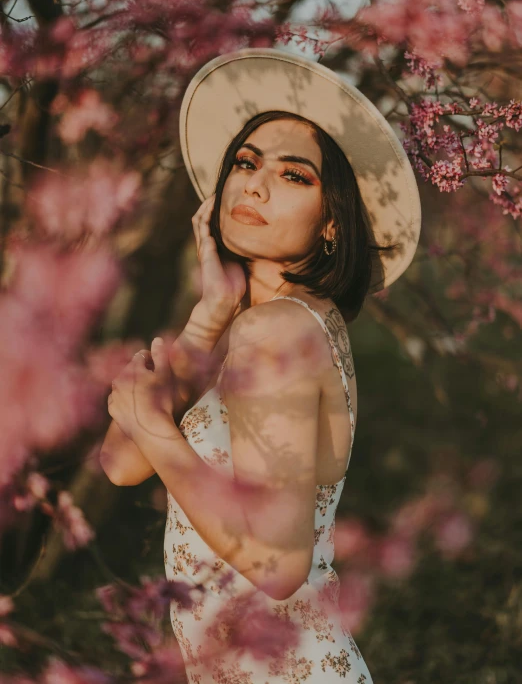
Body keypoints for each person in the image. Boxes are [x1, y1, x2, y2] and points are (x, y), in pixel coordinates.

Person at [101, 48, 422, 682]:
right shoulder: (269, 322)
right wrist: (207, 317)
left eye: (295, 176)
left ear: (332, 220)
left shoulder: (275, 331)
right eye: (246, 163)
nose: (255, 183)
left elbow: (277, 566)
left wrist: (161, 432)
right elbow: (120, 463)